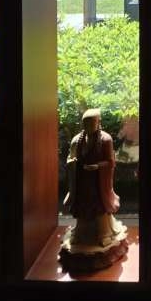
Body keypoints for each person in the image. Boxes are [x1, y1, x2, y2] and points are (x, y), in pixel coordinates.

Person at [60, 108, 128, 270]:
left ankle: (104, 234)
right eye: (86, 124)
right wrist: (72, 163)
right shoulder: (77, 140)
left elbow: (111, 162)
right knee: (82, 207)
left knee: (99, 207)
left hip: (98, 183)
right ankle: (80, 233)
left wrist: (97, 166)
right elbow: (70, 157)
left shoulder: (105, 139)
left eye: (92, 123)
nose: (89, 127)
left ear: (98, 123)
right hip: (82, 182)